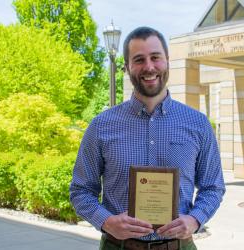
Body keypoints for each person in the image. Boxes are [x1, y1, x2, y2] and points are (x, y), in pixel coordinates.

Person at [70, 26, 225, 250]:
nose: (149, 67)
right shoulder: (101, 126)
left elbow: (213, 187)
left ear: (168, 61)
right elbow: (80, 191)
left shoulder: (198, 124)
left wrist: (195, 219)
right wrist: (106, 221)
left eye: (155, 57)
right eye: (139, 60)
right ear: (127, 67)